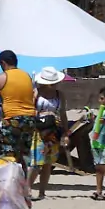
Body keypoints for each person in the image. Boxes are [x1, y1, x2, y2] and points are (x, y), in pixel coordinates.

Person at [0, 51, 36, 162]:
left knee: (9, 154)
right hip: (30, 118)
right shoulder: (27, 76)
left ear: (3, 63)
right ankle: (24, 178)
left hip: (12, 119)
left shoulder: (0, 78)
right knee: (24, 154)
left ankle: (11, 178)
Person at [29, 67, 65, 200]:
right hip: (39, 131)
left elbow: (63, 114)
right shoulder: (36, 93)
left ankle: (42, 192)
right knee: (37, 162)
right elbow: (30, 110)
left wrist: (65, 132)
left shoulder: (60, 95)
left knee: (48, 163)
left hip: (54, 131)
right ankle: (28, 189)